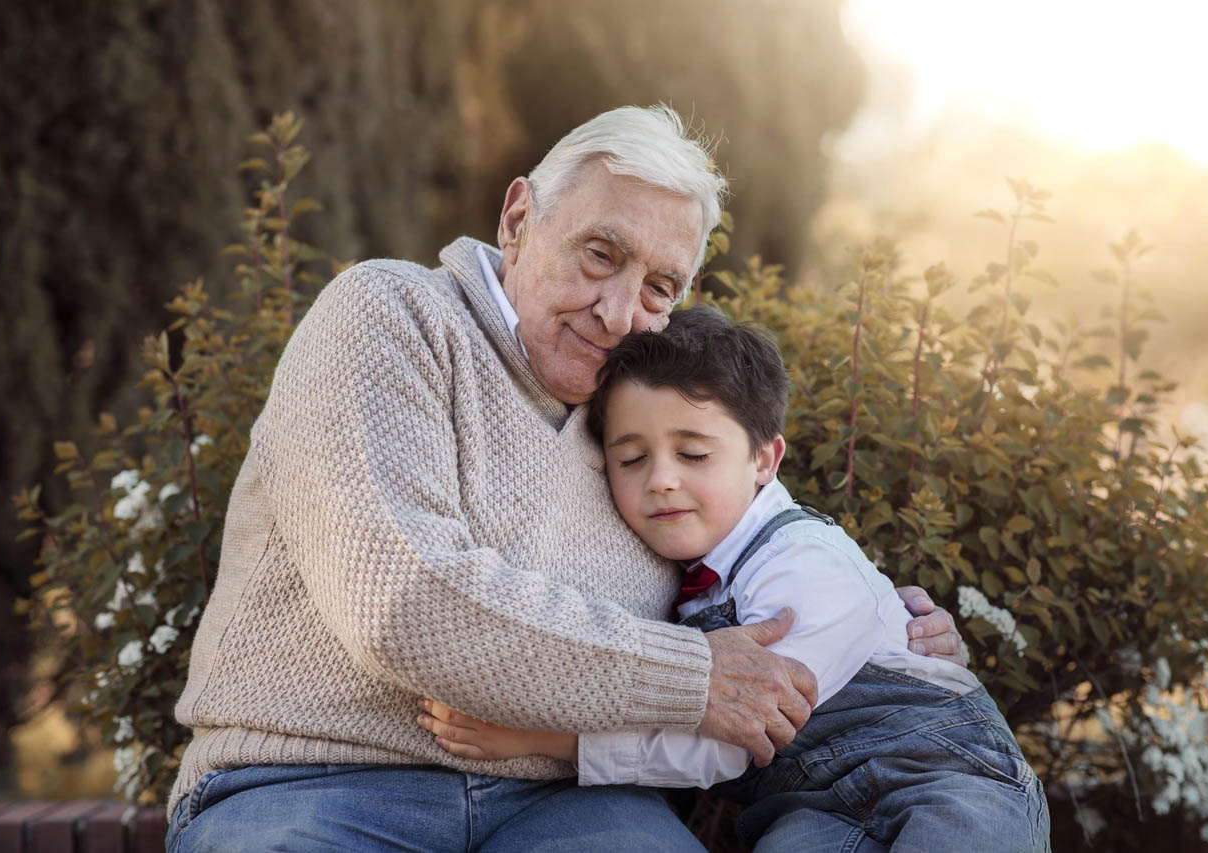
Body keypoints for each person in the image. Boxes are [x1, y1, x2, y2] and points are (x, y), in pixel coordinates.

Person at [165, 105, 965, 852]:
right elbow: (402, 602)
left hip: (569, 802)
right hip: (314, 779)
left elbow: (754, 556)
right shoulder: (390, 315)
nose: (620, 313)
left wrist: (890, 632)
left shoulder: (638, 420)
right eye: (601, 255)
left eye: (659, 287)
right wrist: (692, 677)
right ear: (518, 220)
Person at [417, 307, 1050, 851]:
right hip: (811, 812)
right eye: (631, 458)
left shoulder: (804, 562)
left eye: (693, 454)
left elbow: (733, 737)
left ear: (764, 460)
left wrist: (544, 740)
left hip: (947, 780)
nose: (661, 479)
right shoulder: (680, 579)